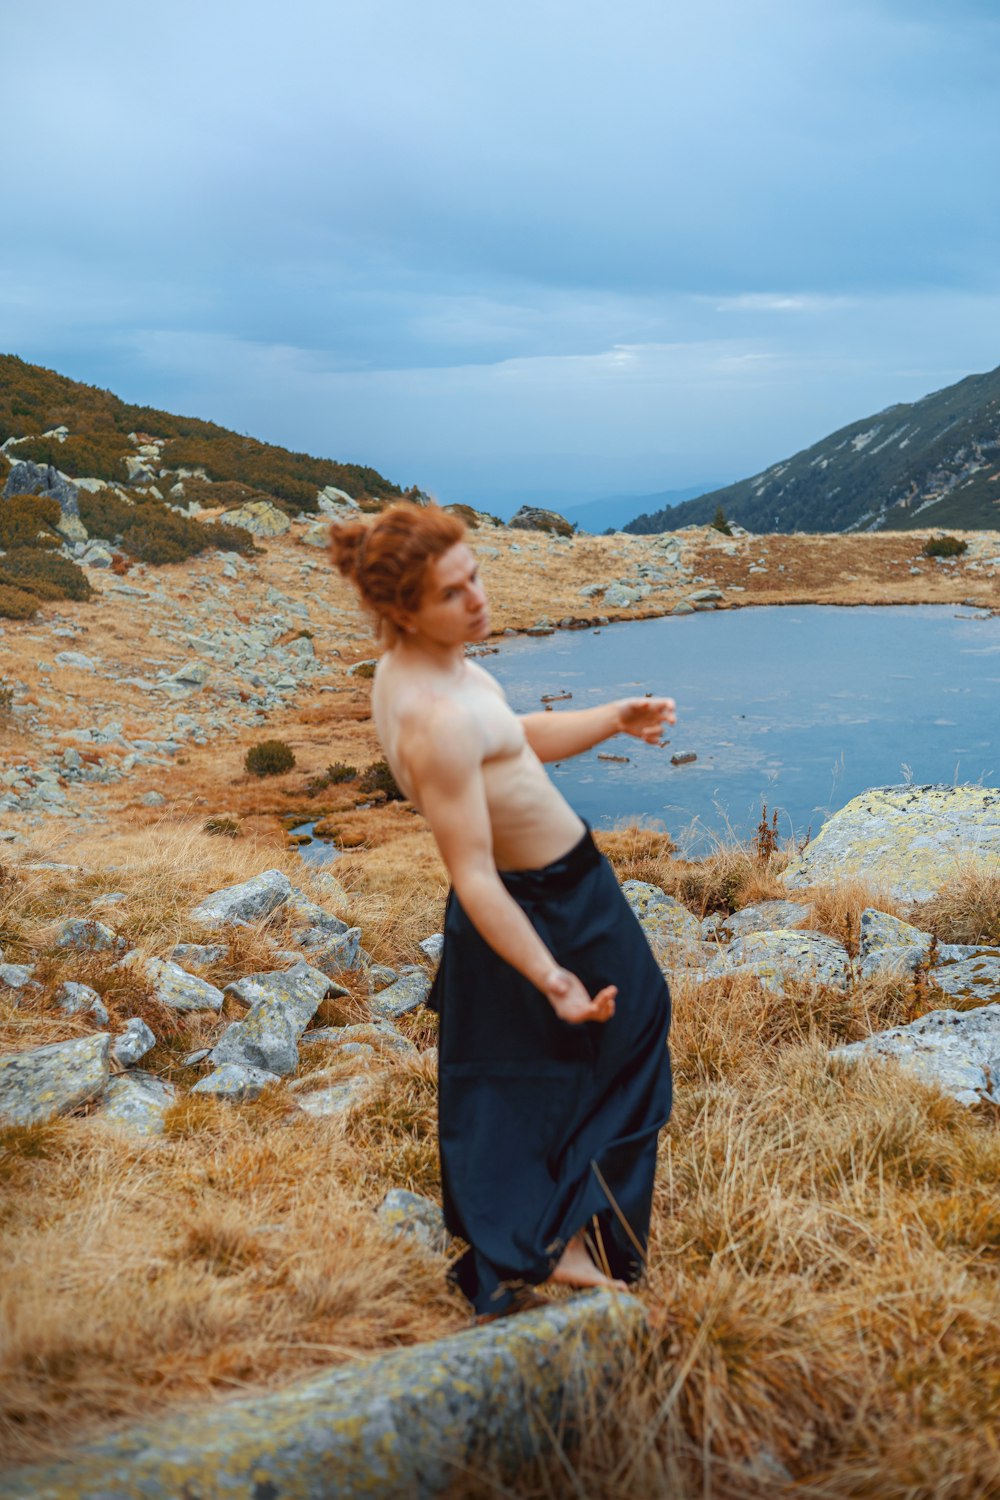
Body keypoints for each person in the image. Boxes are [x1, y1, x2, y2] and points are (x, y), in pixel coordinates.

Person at [331, 501, 674, 1320]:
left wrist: (610, 721)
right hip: (543, 906)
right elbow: (474, 874)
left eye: (474, 575)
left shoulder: (437, 665)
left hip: (566, 888)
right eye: (453, 593)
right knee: (614, 1045)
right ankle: (550, 1244)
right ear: (400, 610)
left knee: (560, 1070)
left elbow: (512, 738)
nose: (477, 599)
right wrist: (550, 975)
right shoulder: (433, 718)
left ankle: (565, 1238)